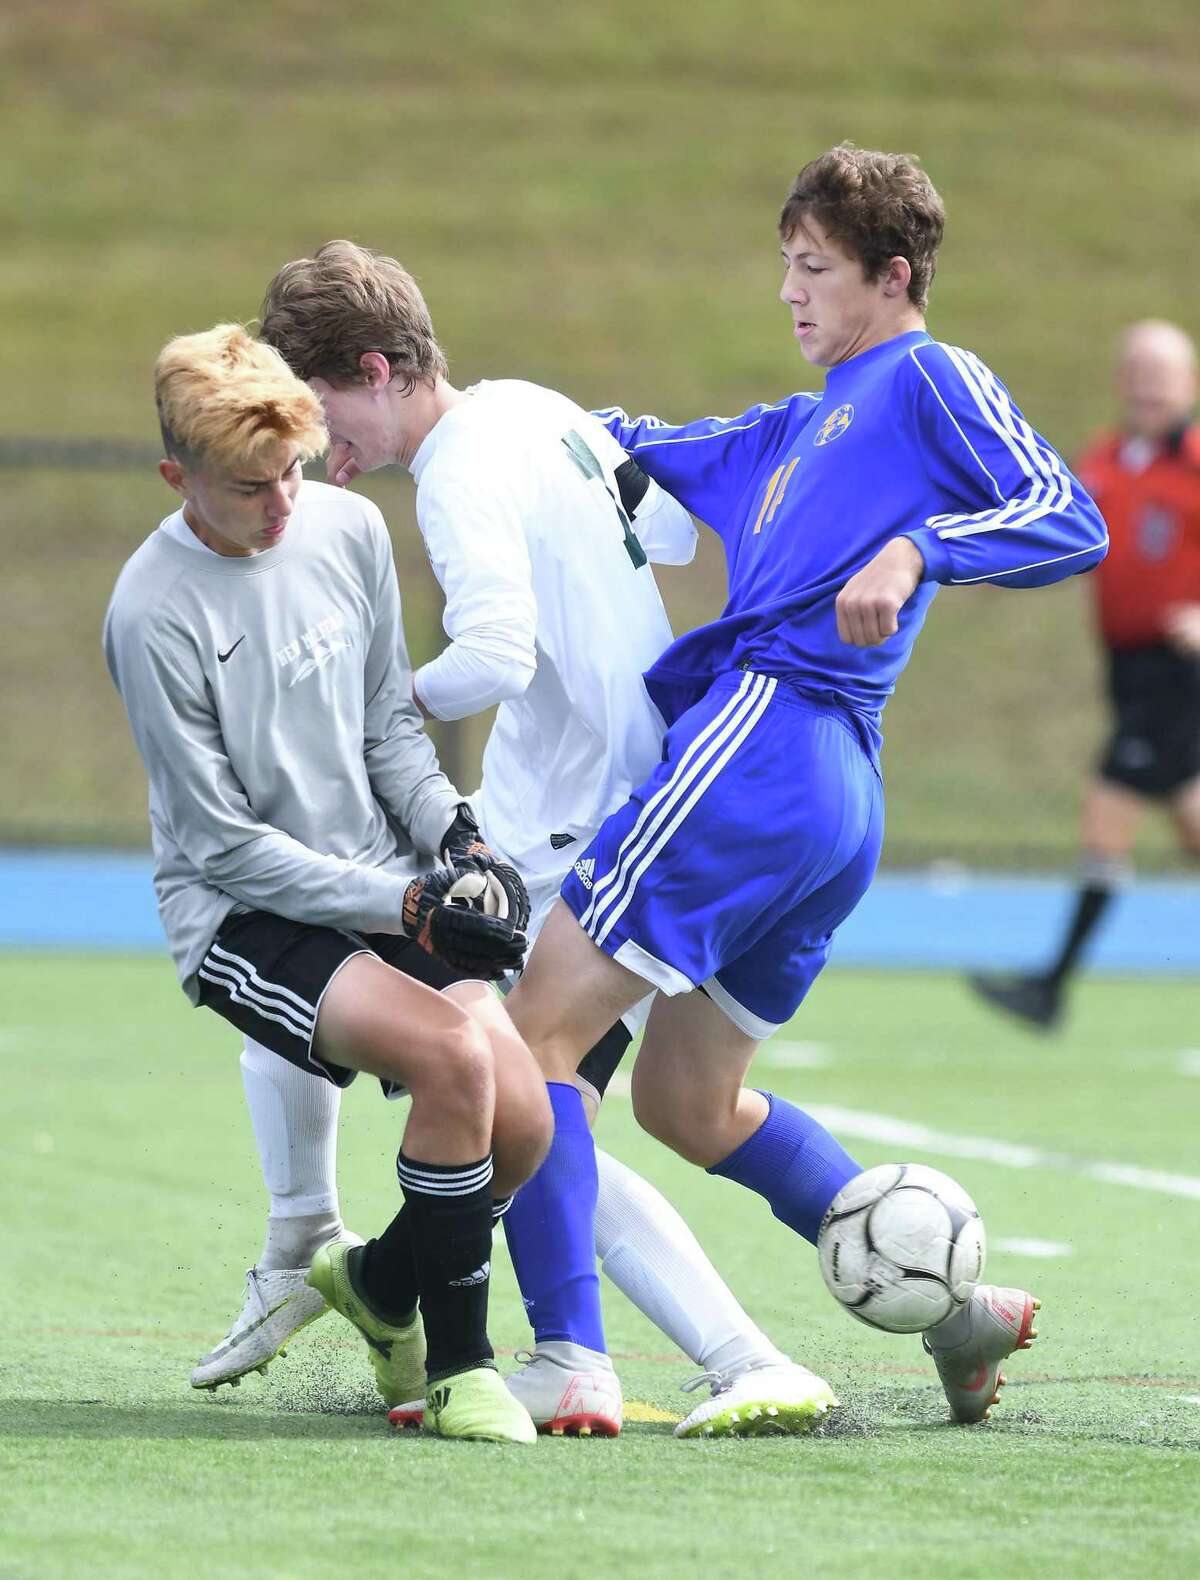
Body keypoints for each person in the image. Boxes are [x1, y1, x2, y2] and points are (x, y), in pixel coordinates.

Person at [494, 142, 1106, 1430]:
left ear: (895, 276)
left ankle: (568, 1355)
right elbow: (622, 444)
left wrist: (918, 548)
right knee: (686, 1102)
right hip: (824, 799)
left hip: (765, 746)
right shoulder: (789, 427)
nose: (789, 290)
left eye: (815, 266)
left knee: (534, 1028)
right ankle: (959, 1314)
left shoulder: (930, 377)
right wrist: (486, 428)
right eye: (785, 262)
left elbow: (1069, 515)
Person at [251, 240, 840, 1440]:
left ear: (375, 369)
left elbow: (494, 654)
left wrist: (357, 707)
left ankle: (526, 1331)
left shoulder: (460, 468)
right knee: (518, 1092)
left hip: (568, 814)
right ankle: (383, 1278)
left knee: (490, 1073)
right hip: (616, 790)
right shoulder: (531, 407)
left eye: (316, 407)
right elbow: (668, 534)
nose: (312, 443)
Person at [103, 323, 551, 1444]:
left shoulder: (347, 527)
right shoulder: (150, 612)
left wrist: (458, 839)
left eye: (294, 472)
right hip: (242, 915)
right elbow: (222, 844)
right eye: (251, 487)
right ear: (177, 479)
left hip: (376, 874)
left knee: (527, 1122)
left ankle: (376, 1283)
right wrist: (404, 904)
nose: (284, 504)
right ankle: (460, 1370)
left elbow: (389, 728)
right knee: (453, 1058)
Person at [970, 320, 1200, 1029]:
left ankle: (1049, 989)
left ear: (1189, 383)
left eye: (1162, 374)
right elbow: (1061, 528)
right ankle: (1049, 989)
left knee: (1108, 811)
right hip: (1127, 670)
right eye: (1137, 372)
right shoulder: (1104, 459)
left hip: (1179, 670)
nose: (1148, 387)